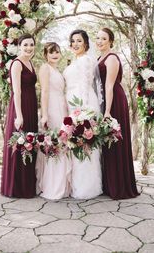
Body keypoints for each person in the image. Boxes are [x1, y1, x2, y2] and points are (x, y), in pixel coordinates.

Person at [96, 27, 139, 199]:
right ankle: (109, 183)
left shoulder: (112, 58)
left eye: (103, 39)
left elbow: (109, 85)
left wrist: (107, 110)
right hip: (105, 99)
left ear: (110, 41)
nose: (99, 41)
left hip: (113, 102)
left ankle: (119, 185)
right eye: (98, 38)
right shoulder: (100, 57)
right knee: (107, 143)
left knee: (115, 141)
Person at [63, 29, 102, 199]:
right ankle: (76, 183)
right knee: (75, 143)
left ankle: (87, 187)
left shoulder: (86, 60)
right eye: (73, 41)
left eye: (79, 41)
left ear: (86, 43)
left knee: (84, 143)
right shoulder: (75, 60)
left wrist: (84, 114)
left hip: (82, 105)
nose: (75, 44)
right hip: (73, 104)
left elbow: (86, 85)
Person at [1, 33, 38, 198]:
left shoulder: (30, 62)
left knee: (29, 144)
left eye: (31, 45)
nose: (29, 48)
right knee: (19, 145)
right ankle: (15, 188)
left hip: (31, 105)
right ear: (20, 46)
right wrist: (19, 115)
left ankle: (27, 186)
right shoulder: (16, 64)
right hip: (20, 106)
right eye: (25, 45)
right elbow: (16, 91)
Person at [36, 42, 71, 200]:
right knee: (55, 144)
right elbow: (44, 91)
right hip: (51, 108)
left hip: (61, 107)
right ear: (45, 55)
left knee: (63, 143)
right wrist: (44, 114)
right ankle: (53, 184)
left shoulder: (57, 70)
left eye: (57, 52)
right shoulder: (45, 68)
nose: (55, 54)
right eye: (51, 52)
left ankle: (63, 183)